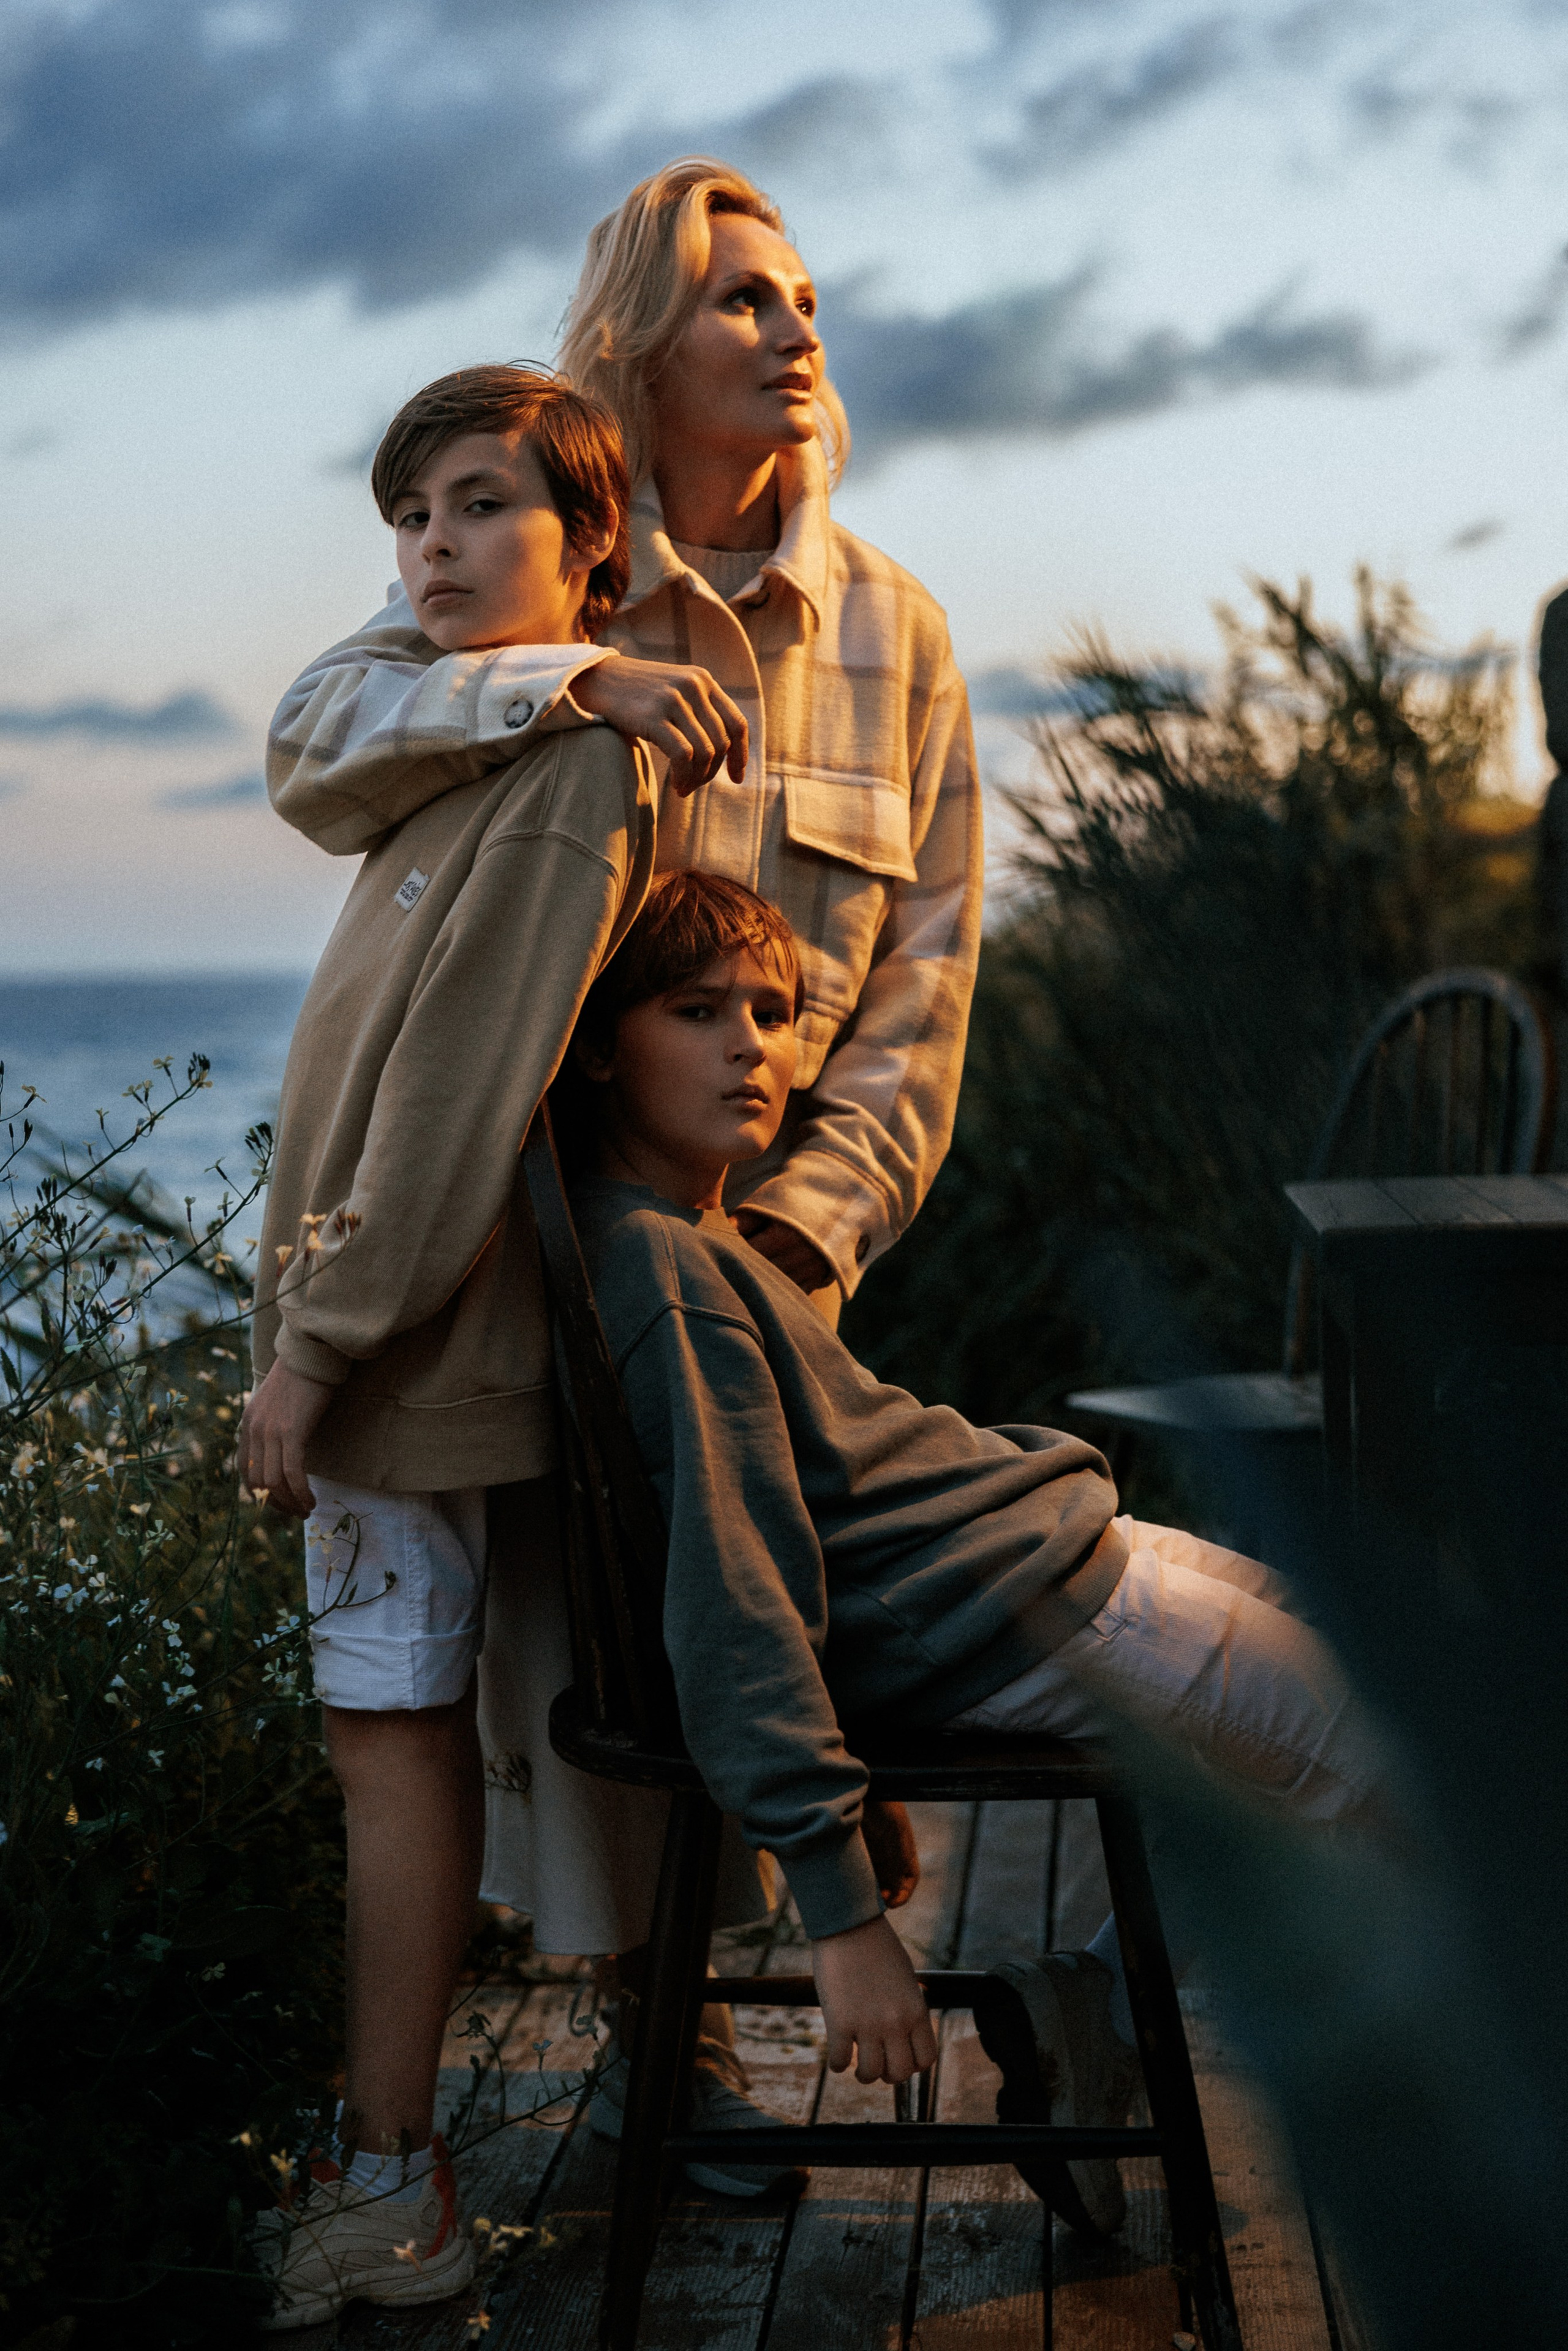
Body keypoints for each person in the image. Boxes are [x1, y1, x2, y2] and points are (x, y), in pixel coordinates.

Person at [263, 154, 984, 2181]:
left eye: (805, 293)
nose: (795, 326)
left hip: (777, 1261)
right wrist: (564, 676)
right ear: (639, 344)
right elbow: (322, 739)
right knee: (584, 1660)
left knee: (743, 1608)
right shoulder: (555, 569)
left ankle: (718, 2033)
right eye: (741, 297)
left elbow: (924, 992)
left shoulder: (896, 634)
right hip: (546, 1250)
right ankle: (657, 2049)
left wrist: (799, 1253)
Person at [562, 866, 1387, 2243]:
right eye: (696, 1009)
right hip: (1019, 1610)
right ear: (598, 1044)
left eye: (772, 1012)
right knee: (1407, 1762)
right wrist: (837, 1910)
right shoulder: (660, 1273)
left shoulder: (697, 1239)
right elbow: (734, 1597)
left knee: (1358, 1662)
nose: (749, 1045)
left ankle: (1086, 2002)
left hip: (1036, 1551)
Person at [241, 364, 660, 2331]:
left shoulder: (568, 772)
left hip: (403, 1353)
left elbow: (450, 1101)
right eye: (412, 512)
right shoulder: (480, 731)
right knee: (394, 1736)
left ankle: (391, 2183)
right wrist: (553, 671)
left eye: (487, 503)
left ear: (590, 538)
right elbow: (305, 736)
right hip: (386, 1336)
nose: (434, 546)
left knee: (390, 1746)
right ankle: (387, 2162)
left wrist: (317, 1346)